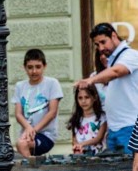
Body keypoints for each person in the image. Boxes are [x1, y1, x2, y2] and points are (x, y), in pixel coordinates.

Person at [76, 22, 138, 154]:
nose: (101, 48)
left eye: (103, 42)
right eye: (97, 45)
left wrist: (92, 79)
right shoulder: (113, 59)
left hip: (130, 127)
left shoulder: (130, 55)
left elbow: (117, 72)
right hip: (114, 128)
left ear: (114, 36)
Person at [12, 48, 63, 158]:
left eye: (38, 67)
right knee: (20, 144)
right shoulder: (20, 86)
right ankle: (32, 167)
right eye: (30, 67)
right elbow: (18, 114)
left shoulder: (52, 83)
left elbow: (52, 112)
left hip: (46, 134)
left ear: (44, 66)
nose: (34, 71)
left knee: (22, 144)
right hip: (27, 133)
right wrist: (28, 128)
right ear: (24, 67)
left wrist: (34, 130)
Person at [68, 84, 107, 155]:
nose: (83, 101)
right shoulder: (76, 118)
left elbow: (98, 138)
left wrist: (82, 144)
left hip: (98, 156)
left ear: (94, 97)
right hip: (81, 155)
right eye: (80, 98)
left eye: (87, 97)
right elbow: (74, 139)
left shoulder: (102, 117)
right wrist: (77, 147)